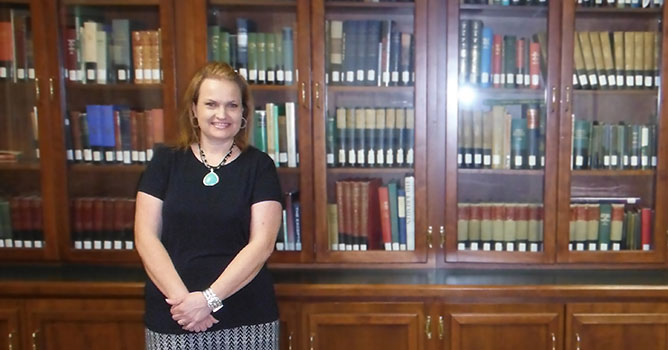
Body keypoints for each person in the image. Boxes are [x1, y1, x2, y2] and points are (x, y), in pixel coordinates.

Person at [135, 62, 283, 349]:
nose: (221, 114)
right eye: (211, 104)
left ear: (243, 113)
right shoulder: (165, 161)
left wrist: (208, 300)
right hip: (175, 314)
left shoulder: (259, 166)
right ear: (194, 109)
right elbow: (146, 237)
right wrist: (187, 303)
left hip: (244, 314)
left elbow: (261, 245)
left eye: (232, 105)